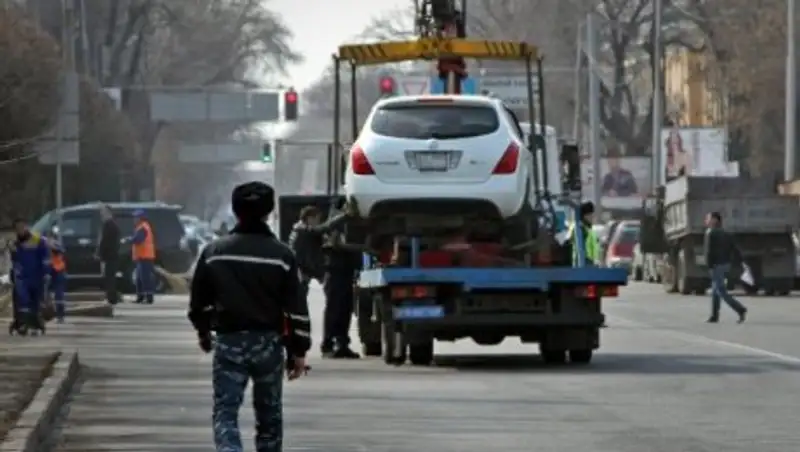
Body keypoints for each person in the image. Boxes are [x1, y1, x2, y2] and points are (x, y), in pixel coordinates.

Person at [188, 181, 310, 452]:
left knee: (226, 411)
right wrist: (298, 352)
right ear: (268, 212)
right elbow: (296, 308)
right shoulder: (282, 255)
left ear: (235, 210)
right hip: (268, 345)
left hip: (229, 342)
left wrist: (204, 333)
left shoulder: (214, 253)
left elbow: (199, 304)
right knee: (269, 417)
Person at [287, 204, 349, 355]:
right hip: (300, 276)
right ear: (309, 218)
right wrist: (345, 215)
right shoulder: (303, 230)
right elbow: (323, 229)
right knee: (299, 312)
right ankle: (299, 345)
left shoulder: (298, 230)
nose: (318, 222)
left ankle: (299, 344)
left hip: (300, 275)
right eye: (317, 219)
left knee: (298, 310)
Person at [321, 198, 361, 359]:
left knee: (345, 308)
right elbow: (337, 244)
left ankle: (342, 343)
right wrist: (365, 248)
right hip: (335, 269)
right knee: (334, 309)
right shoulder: (335, 222)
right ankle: (328, 344)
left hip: (346, 269)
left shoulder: (346, 222)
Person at [704, 211, 748, 323]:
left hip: (716, 265)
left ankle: (740, 309)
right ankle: (714, 316)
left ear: (715, 220)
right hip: (725, 264)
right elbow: (734, 248)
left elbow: (709, 252)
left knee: (720, 291)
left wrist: (709, 266)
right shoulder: (725, 233)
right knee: (715, 291)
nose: (706, 221)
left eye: (708, 218)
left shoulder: (710, 233)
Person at [9, 219, 50, 334]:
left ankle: (34, 325)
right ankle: (23, 323)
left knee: (35, 301)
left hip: (37, 275)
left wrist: (46, 272)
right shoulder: (15, 243)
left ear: (27, 227)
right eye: (18, 229)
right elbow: (15, 260)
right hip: (23, 277)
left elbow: (45, 257)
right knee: (23, 300)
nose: (21, 231)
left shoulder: (38, 240)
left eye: (23, 227)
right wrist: (15, 273)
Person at [95, 204, 120, 305]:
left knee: (109, 277)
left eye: (103, 212)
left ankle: (111, 298)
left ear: (109, 213)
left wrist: (100, 254)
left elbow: (105, 242)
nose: (101, 215)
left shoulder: (109, 226)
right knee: (109, 277)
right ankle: (112, 297)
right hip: (111, 255)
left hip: (110, 256)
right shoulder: (111, 225)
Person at [131, 210, 156, 304]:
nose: (134, 219)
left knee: (145, 278)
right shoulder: (140, 227)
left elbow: (138, 240)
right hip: (141, 256)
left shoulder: (142, 227)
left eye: (136, 217)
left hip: (145, 257)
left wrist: (129, 240)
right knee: (139, 278)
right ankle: (140, 297)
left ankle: (149, 297)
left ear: (140, 218)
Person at [567, 202, 601, 266]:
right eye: (591, 215)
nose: (593, 217)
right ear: (585, 216)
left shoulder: (586, 228)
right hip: (582, 262)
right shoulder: (579, 228)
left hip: (588, 262)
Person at [46, 232, 67, 323]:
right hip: (49, 271)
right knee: (45, 293)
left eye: (50, 238)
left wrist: (52, 246)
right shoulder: (43, 246)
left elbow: (61, 250)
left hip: (58, 270)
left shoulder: (57, 244)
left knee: (59, 294)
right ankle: (47, 314)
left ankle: (60, 316)